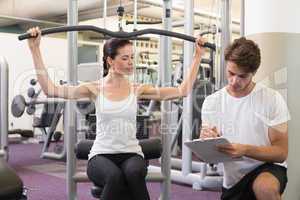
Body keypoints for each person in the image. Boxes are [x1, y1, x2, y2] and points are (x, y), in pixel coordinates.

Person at [27, 27, 206, 200]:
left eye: (132, 57)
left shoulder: (137, 89)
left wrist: (197, 56)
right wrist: (34, 49)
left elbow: (181, 91)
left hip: (131, 153)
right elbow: (50, 90)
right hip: (101, 155)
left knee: (134, 172)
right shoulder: (94, 88)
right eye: (125, 58)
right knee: (114, 177)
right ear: (110, 61)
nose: (131, 62)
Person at [200, 37, 289, 200]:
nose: (234, 81)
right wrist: (206, 141)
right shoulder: (212, 102)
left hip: (267, 168)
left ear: (253, 73)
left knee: (264, 188)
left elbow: (281, 153)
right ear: (226, 65)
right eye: (231, 73)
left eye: (242, 76)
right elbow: (207, 155)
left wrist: (246, 150)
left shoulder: (272, 99)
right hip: (233, 180)